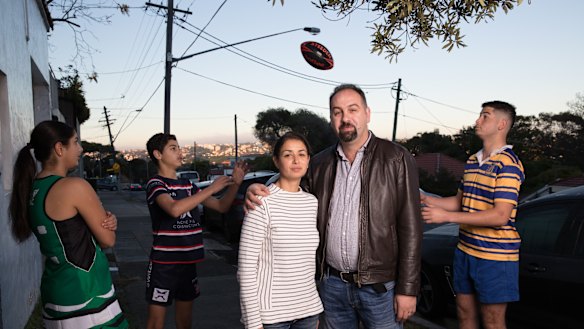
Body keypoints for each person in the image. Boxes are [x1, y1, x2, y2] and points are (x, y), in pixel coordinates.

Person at [246, 84, 422, 329]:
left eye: (353, 109)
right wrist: (257, 188)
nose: (345, 118)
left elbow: (411, 227)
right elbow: (291, 189)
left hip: (380, 289)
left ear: (367, 113)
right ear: (331, 119)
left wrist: (408, 289)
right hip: (333, 287)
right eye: (337, 112)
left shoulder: (396, 157)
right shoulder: (319, 163)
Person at [9, 120, 128, 328]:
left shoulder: (31, 188)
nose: (80, 149)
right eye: (75, 142)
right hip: (87, 294)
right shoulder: (74, 187)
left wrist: (103, 220)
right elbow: (108, 240)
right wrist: (107, 223)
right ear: (59, 148)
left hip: (56, 295)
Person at [421, 101, 525, 329]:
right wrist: (428, 200)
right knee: (464, 313)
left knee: (493, 321)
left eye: (485, 116)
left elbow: (500, 216)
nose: (477, 120)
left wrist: (446, 217)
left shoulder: (508, 164)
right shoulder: (471, 162)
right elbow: (459, 201)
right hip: (465, 251)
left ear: (502, 124)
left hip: (495, 258)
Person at [144, 133, 246, 329]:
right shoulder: (156, 184)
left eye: (179, 148)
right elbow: (174, 209)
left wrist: (236, 184)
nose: (180, 152)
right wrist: (211, 188)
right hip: (163, 264)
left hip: (187, 262)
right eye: (173, 148)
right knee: (156, 322)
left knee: (185, 322)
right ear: (157, 154)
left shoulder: (188, 185)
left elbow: (221, 206)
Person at [238, 132, 323, 329]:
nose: (296, 160)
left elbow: (307, 262)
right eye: (287, 155)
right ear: (276, 161)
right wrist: (253, 322)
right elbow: (246, 268)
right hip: (272, 317)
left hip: (308, 312)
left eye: (302, 154)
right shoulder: (261, 202)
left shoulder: (311, 202)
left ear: (308, 160)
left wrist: (313, 311)